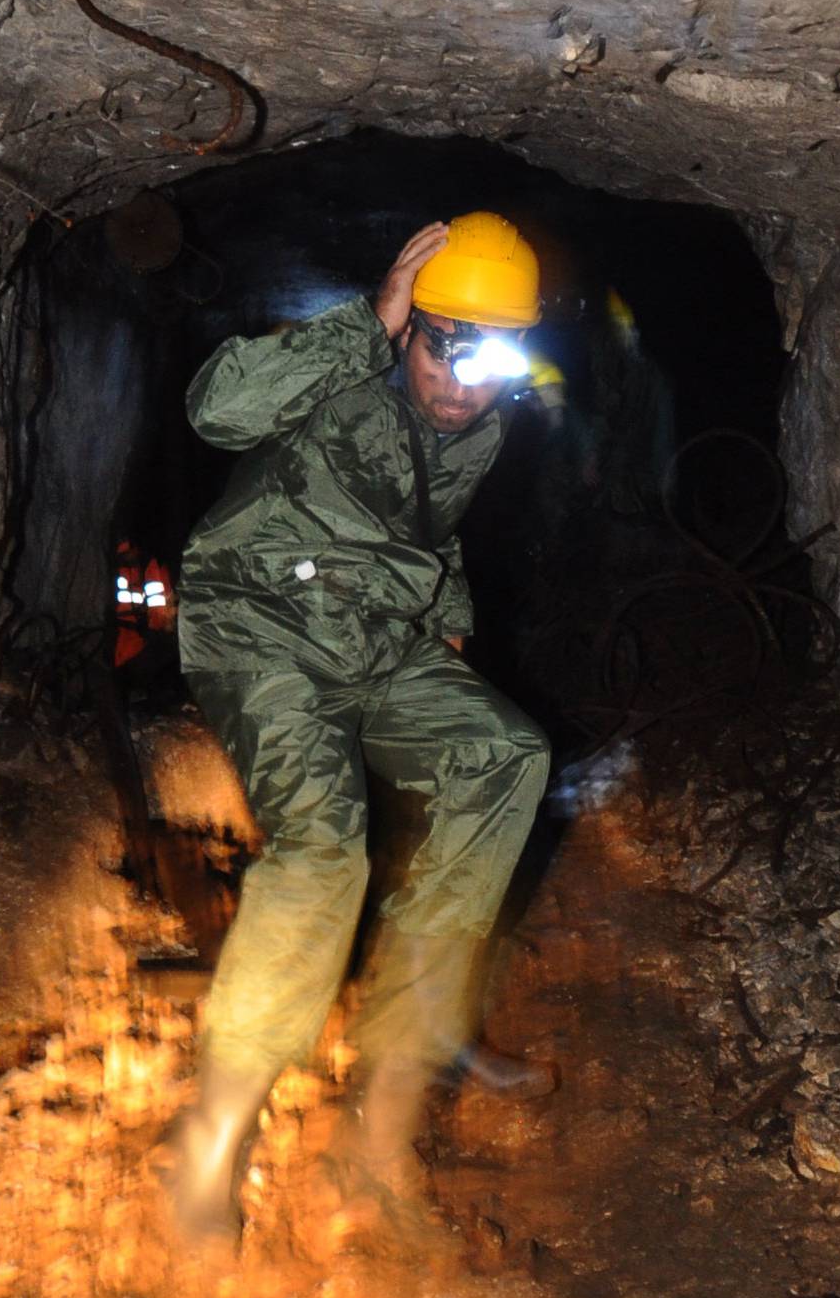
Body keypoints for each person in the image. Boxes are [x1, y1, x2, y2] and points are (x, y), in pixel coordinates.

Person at [166, 213, 553, 1240]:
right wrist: (367, 327)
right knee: (325, 852)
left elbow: (427, 532)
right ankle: (210, 1146)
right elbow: (216, 408)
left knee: (503, 755)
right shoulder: (346, 367)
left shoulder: (483, 425)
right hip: (260, 628)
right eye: (442, 345)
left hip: (376, 642)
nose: (463, 380)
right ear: (412, 325)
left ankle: (378, 1133)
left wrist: (450, 625)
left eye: (493, 359)